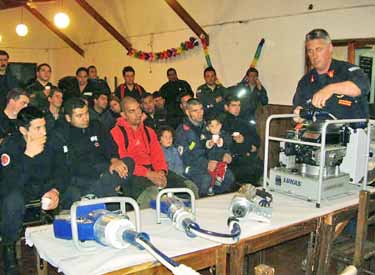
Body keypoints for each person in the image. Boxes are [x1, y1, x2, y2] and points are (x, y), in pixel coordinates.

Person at [0, 107, 60, 275]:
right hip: (17, 191)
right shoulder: (10, 146)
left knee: (74, 193)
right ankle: (8, 246)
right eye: (38, 128)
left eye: (44, 126)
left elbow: (62, 170)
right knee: (12, 201)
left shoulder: (50, 142)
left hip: (42, 189)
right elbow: (10, 184)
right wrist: (28, 156)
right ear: (23, 130)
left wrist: (55, 190)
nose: (44, 132)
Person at [111, 97, 199, 208]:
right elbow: (124, 162)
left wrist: (161, 172)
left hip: (154, 169)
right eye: (132, 111)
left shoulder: (149, 131)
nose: (138, 113)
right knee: (151, 195)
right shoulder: (116, 133)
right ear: (123, 115)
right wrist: (148, 174)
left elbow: (158, 155)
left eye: (138, 109)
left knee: (190, 188)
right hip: (133, 174)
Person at [50, 97, 134, 209]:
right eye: (79, 116)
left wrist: (114, 160)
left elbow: (110, 145)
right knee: (108, 188)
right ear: (68, 118)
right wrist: (107, 178)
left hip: (106, 170)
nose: (85, 118)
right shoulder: (61, 135)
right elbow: (67, 166)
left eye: (86, 113)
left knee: (129, 162)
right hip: (82, 177)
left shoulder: (96, 126)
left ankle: (94, 195)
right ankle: (104, 190)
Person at [293, 28, 370, 120]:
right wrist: (298, 116)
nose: (314, 55)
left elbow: (362, 86)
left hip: (351, 132)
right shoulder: (305, 82)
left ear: (330, 48)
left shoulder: (346, 71)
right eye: (310, 51)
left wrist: (330, 89)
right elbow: (297, 110)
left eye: (319, 49)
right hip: (317, 132)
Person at [175, 98, 235, 197]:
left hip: (212, 163)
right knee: (206, 180)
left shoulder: (208, 126)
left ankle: (216, 200)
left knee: (228, 177)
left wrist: (226, 154)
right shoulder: (182, 131)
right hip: (190, 167)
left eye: (201, 109)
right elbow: (184, 157)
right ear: (187, 112)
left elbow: (221, 141)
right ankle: (201, 203)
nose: (200, 113)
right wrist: (206, 163)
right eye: (195, 111)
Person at [222, 95, 263, 185]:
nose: (237, 108)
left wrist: (246, 142)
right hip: (235, 160)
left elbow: (257, 139)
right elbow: (229, 144)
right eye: (233, 105)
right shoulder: (223, 122)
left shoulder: (244, 120)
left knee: (259, 165)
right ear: (226, 107)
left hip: (249, 157)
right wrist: (248, 145)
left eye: (238, 105)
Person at [203, 115, 233, 195]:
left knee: (222, 167)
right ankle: (211, 187)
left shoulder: (225, 135)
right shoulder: (206, 136)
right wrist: (209, 143)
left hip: (221, 160)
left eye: (217, 125)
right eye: (211, 126)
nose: (214, 128)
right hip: (210, 161)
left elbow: (229, 145)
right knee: (211, 173)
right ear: (208, 128)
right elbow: (203, 146)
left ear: (220, 126)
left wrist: (222, 143)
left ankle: (219, 179)